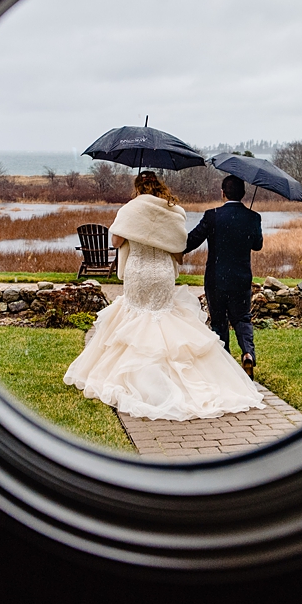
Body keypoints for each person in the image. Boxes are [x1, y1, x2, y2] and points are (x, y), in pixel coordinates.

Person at [63, 171, 264, 421]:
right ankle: (231, 361)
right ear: (160, 187)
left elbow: (115, 241)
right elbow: (180, 246)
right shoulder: (173, 211)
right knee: (165, 316)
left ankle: (142, 376)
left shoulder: (130, 209)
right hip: (164, 273)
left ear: (138, 187)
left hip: (138, 270)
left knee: (138, 316)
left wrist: (130, 226)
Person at [184, 174, 263, 378]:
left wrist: (170, 246)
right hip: (241, 278)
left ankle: (225, 366)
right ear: (244, 194)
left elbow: (191, 241)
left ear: (223, 193)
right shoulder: (253, 217)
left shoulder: (212, 216)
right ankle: (247, 353)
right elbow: (257, 245)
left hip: (216, 279)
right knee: (242, 318)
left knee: (219, 321)